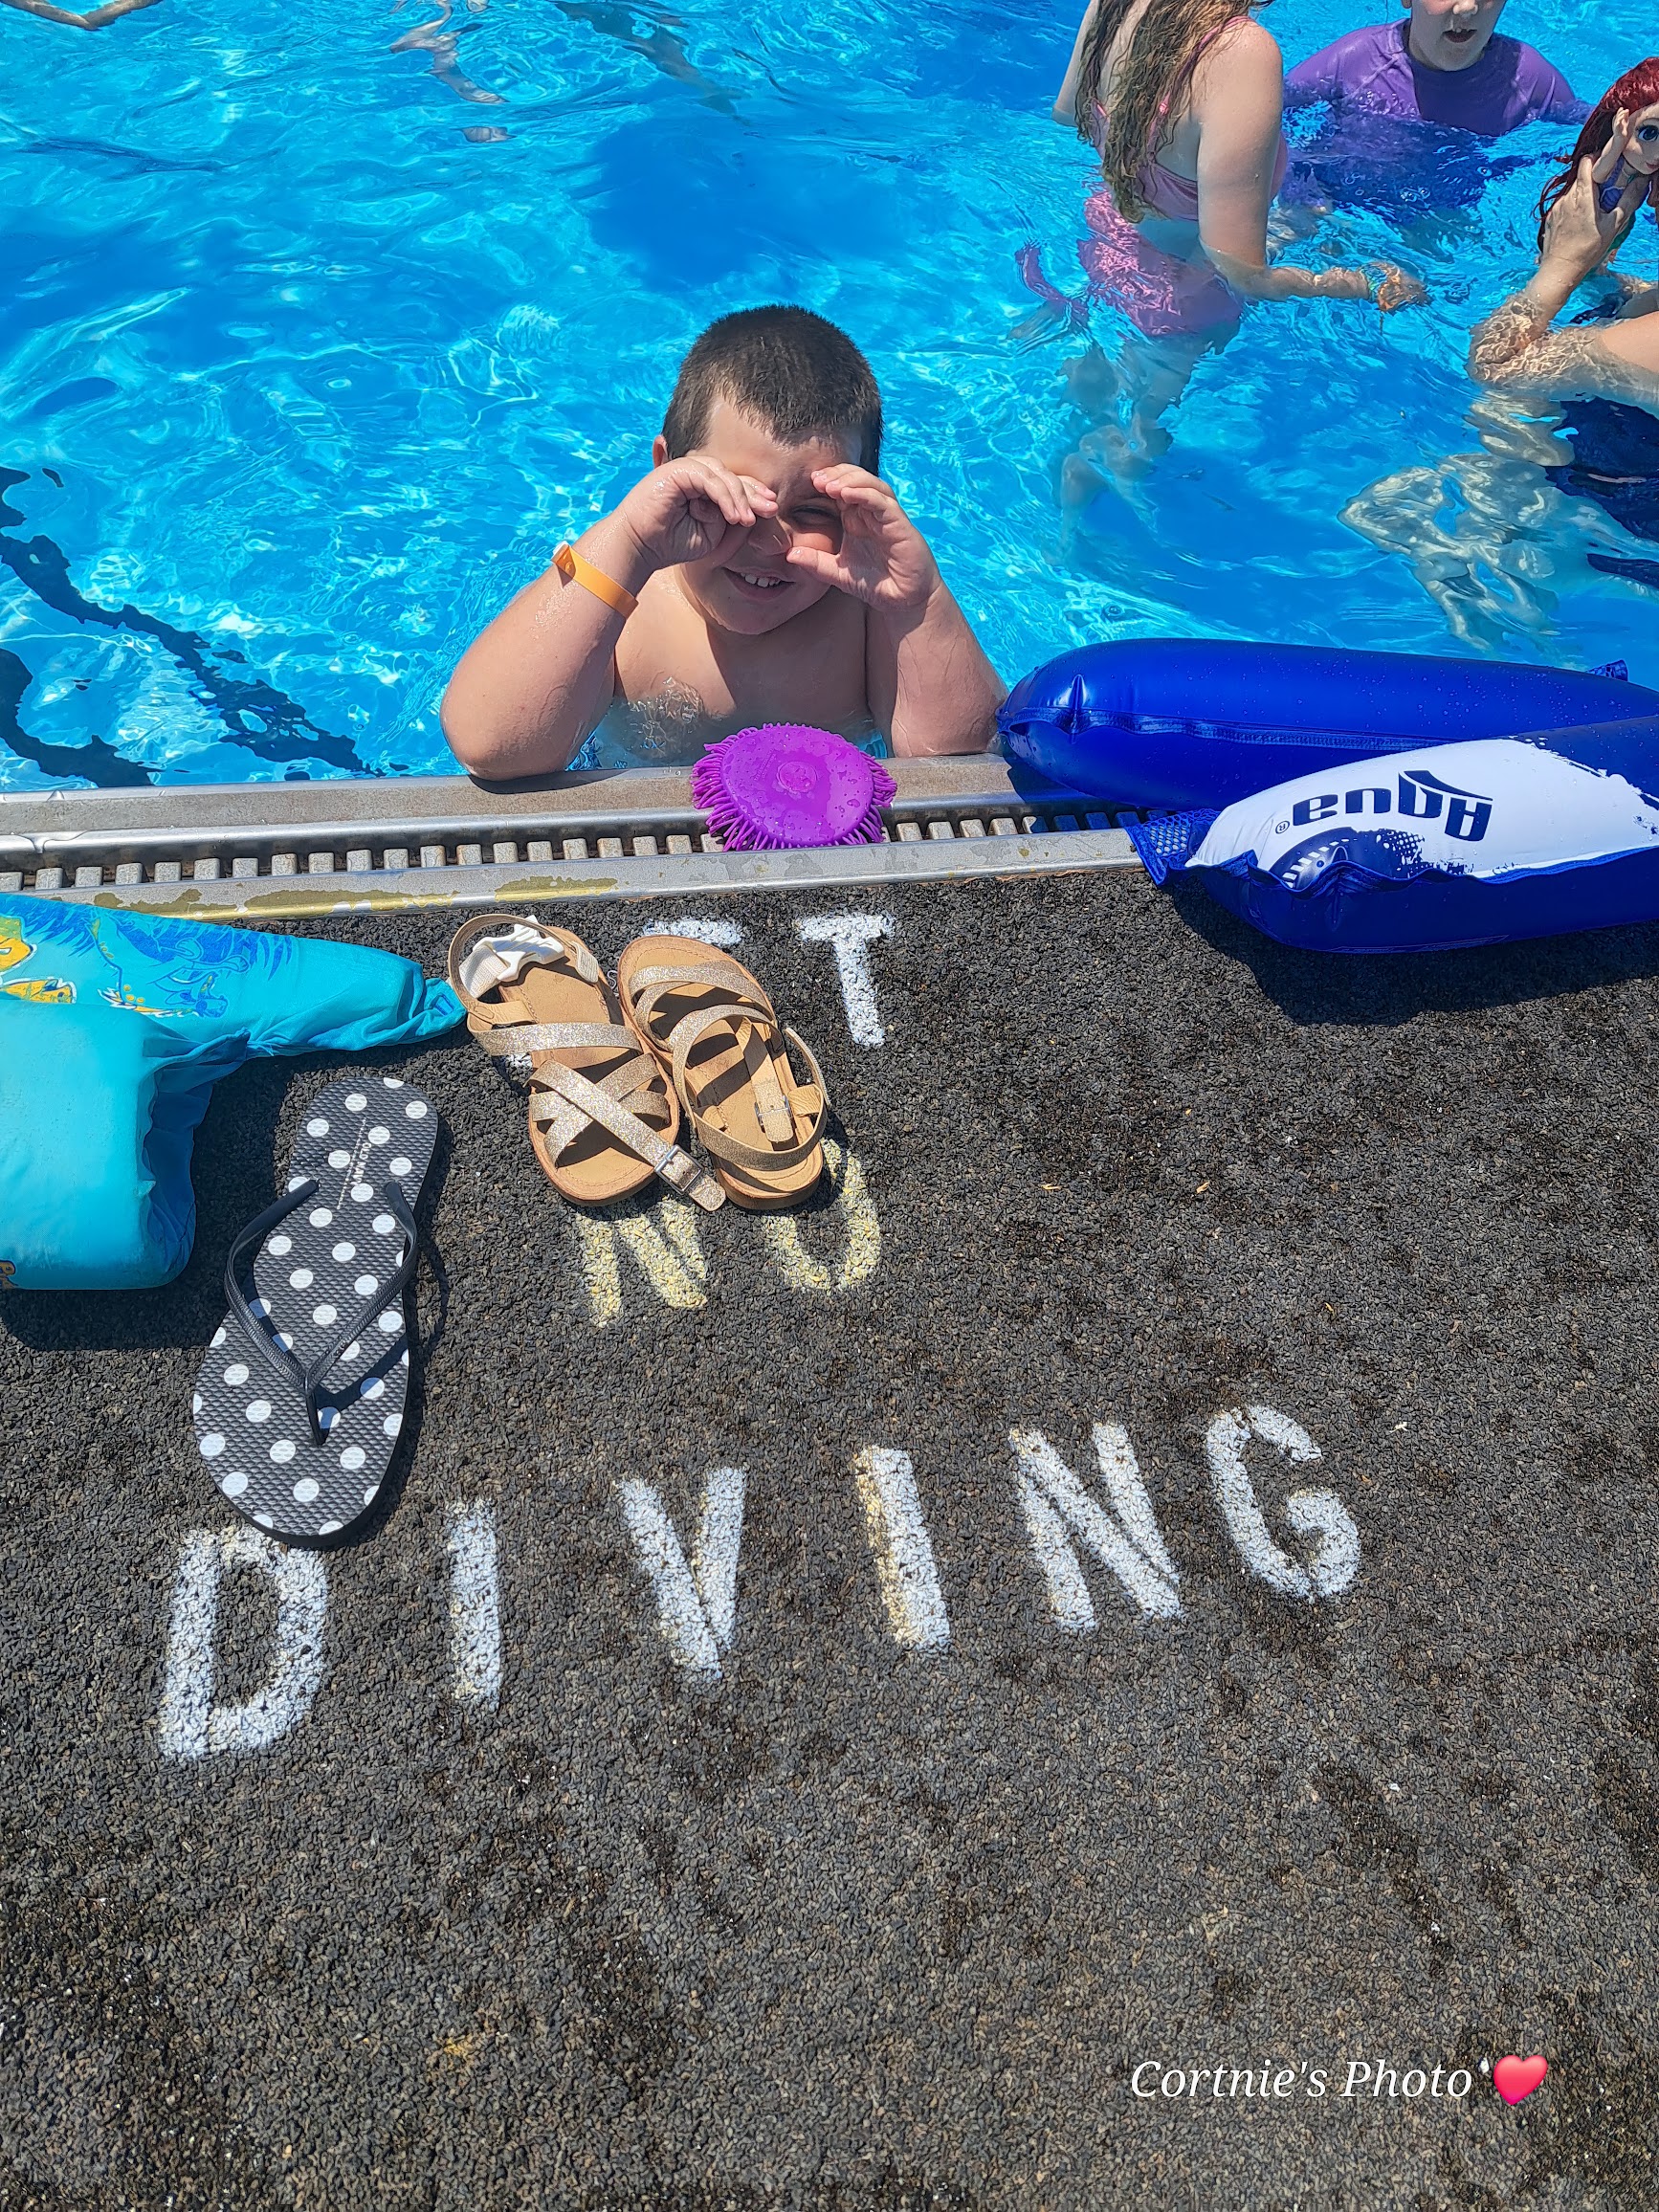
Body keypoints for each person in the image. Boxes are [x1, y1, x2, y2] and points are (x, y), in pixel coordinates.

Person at [441, 307, 1003, 777]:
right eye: (733, 499)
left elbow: (960, 766)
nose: (771, 542)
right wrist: (629, 537)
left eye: (813, 511)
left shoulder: (869, 609)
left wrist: (918, 602)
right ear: (666, 472)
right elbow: (493, 746)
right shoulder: (620, 599)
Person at [1035, 0, 1418, 486]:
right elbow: (1242, 271)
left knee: (1098, 396)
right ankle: (1099, 484)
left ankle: (1073, 476)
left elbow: (1068, 114)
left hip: (1110, 235)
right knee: (1138, 441)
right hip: (1182, 296)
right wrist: (1357, 284)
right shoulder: (1240, 52)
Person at [1285, 1, 1584, 140]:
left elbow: (1592, 137)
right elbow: (1267, 117)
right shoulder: (1353, 64)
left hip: (1445, 225)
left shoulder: (1528, 80)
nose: (1467, 7)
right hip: (1339, 210)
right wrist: (1302, 191)